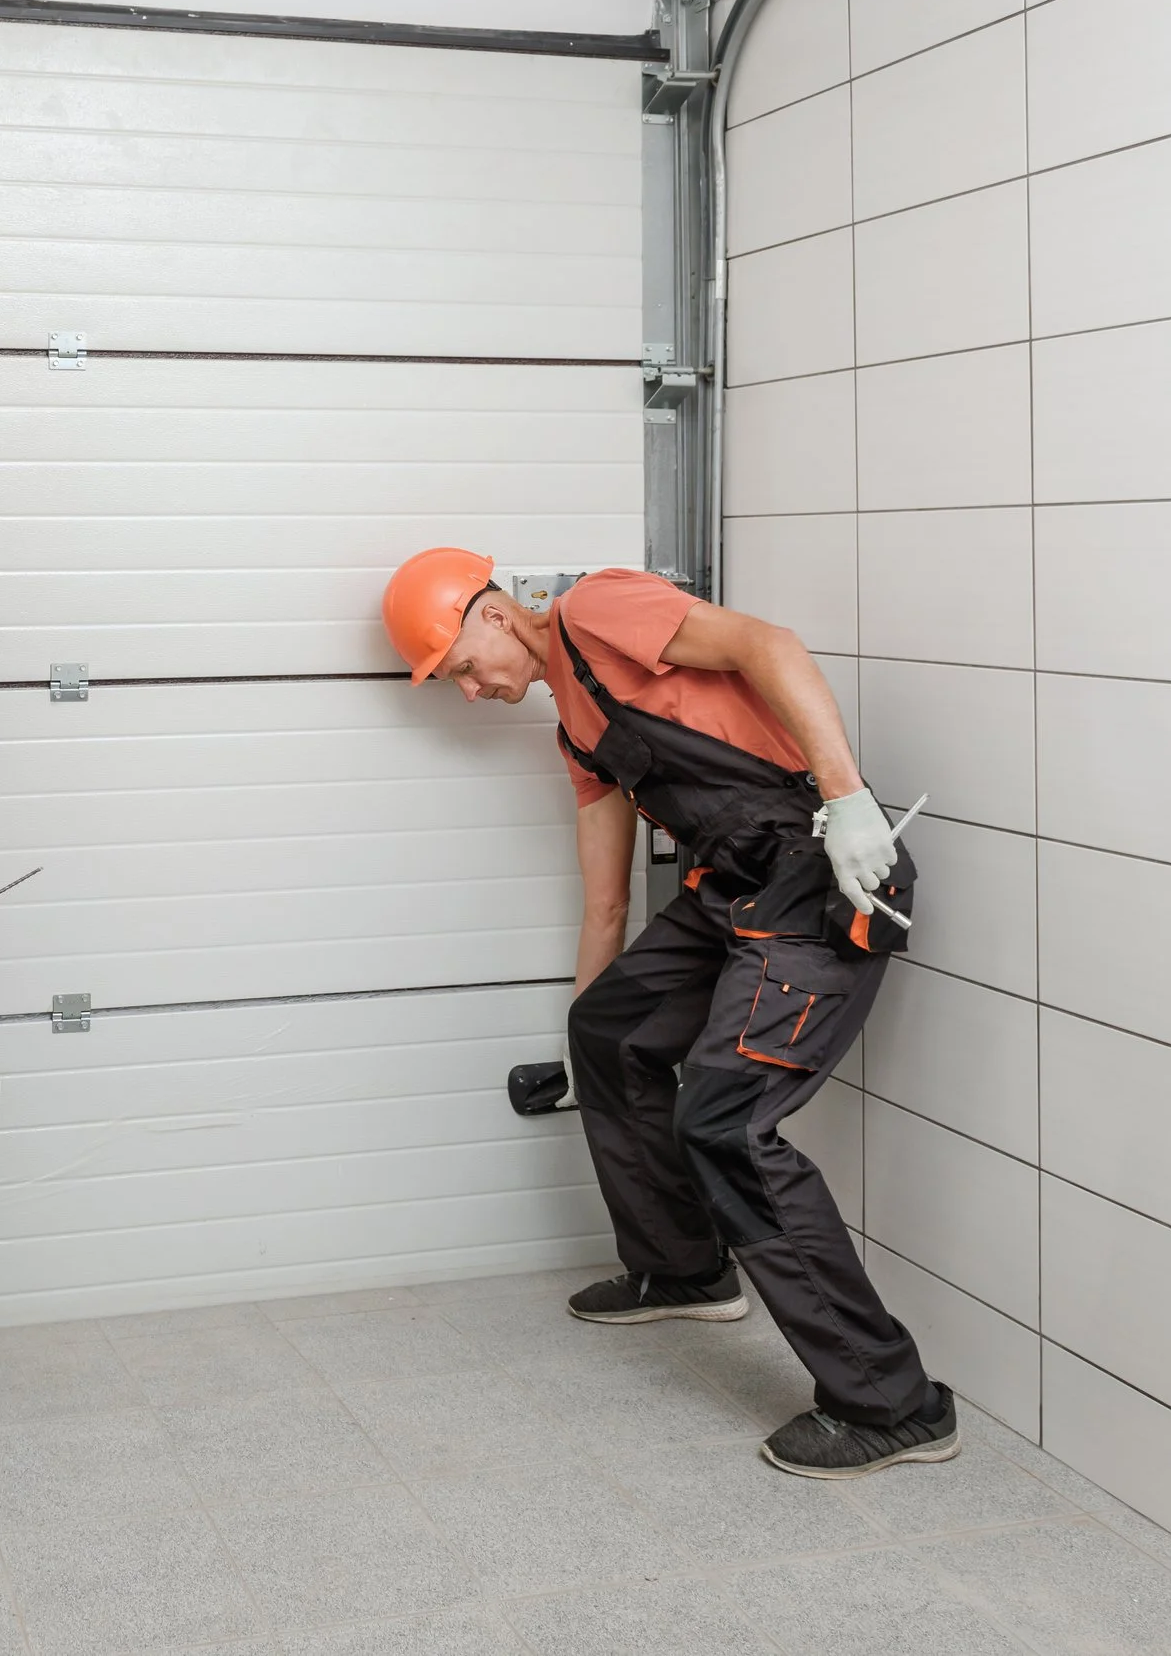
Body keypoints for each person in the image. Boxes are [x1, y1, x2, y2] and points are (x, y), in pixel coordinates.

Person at [381, 553, 958, 1479]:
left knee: (726, 1124)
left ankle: (889, 1400)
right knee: (609, 1029)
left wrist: (849, 801)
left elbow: (767, 646)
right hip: (730, 893)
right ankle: (683, 1266)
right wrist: (584, 1048)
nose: (469, 692)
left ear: (490, 614)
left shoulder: (599, 608)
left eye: (458, 669)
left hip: (819, 873)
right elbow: (605, 905)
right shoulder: (575, 734)